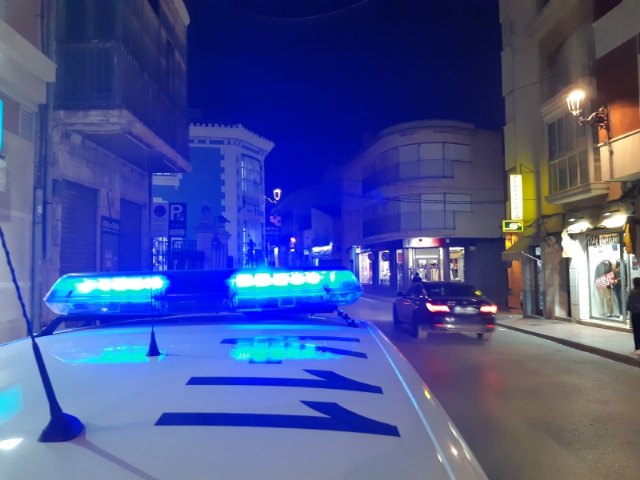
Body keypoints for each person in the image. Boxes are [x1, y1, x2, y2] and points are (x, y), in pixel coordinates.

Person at [627, 277, 640, 354]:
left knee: (637, 331)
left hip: (636, 314)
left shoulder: (633, 292)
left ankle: (638, 348)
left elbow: (630, 305)